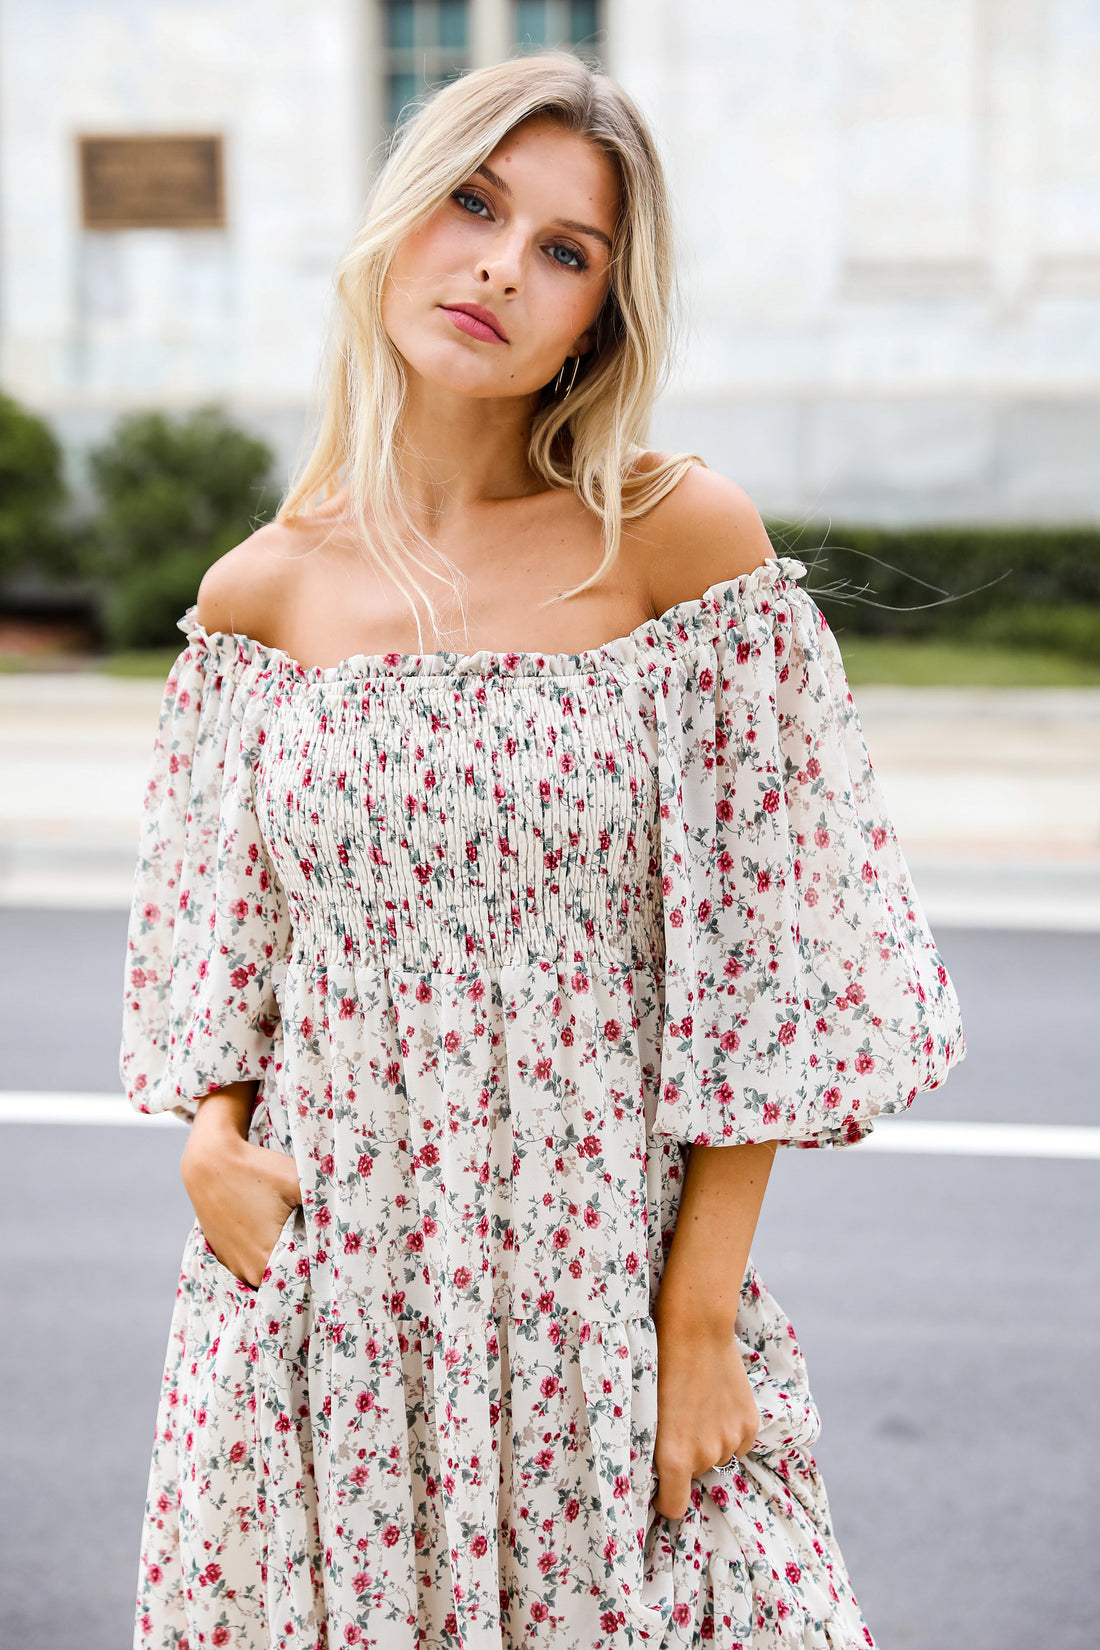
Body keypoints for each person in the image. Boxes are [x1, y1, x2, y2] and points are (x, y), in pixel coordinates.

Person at [120, 50, 965, 1650]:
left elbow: (769, 971)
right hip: (330, 1310)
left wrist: (697, 1321)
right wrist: (212, 1145)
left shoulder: (679, 541)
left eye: (565, 249)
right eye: (474, 203)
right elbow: (218, 959)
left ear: (598, 318)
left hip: (597, 1299)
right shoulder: (261, 592)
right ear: (399, 222)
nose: (502, 264)